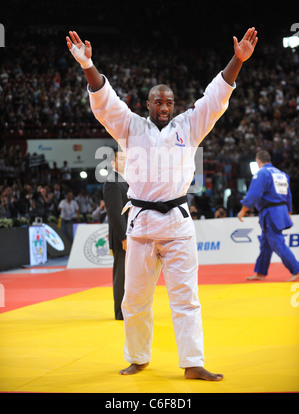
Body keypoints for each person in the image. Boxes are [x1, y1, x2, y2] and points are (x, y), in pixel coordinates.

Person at [66, 27, 258, 381]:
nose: (165, 107)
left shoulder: (189, 125)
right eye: (158, 102)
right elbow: (105, 101)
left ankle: (193, 362)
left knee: (186, 299)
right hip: (140, 222)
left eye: (169, 102)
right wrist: (87, 64)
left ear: (175, 105)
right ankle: (137, 357)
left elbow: (215, 98)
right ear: (148, 104)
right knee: (134, 301)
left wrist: (238, 60)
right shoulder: (129, 127)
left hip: (178, 223)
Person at [238, 150, 299, 282]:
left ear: (258, 161)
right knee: (266, 243)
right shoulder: (282, 175)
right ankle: (260, 273)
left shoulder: (262, 173)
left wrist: (243, 210)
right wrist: (288, 212)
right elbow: (288, 196)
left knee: (277, 242)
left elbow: (254, 194)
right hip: (281, 211)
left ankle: (297, 269)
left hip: (270, 212)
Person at [103, 148, 129, 320]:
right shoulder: (112, 182)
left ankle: (127, 308)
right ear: (113, 162)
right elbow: (114, 212)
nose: (126, 161)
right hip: (122, 237)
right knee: (121, 275)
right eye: (122, 159)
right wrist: (124, 237)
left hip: (130, 235)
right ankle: (120, 312)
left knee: (129, 275)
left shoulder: (125, 181)